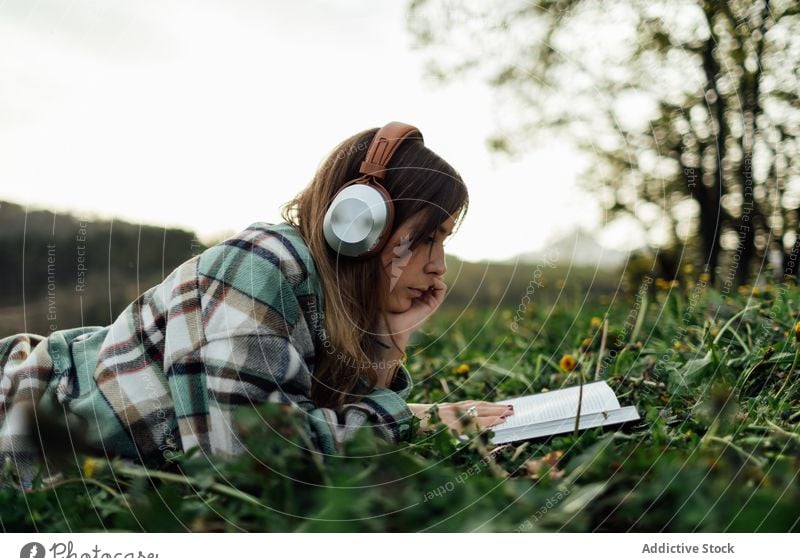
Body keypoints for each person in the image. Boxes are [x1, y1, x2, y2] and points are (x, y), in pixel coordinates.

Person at [0, 121, 513, 491]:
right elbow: (253, 456)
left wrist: (388, 339)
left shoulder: (330, 301)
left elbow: (322, 416)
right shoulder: (259, 266)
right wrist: (403, 421)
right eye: (428, 237)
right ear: (361, 224)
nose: (439, 265)